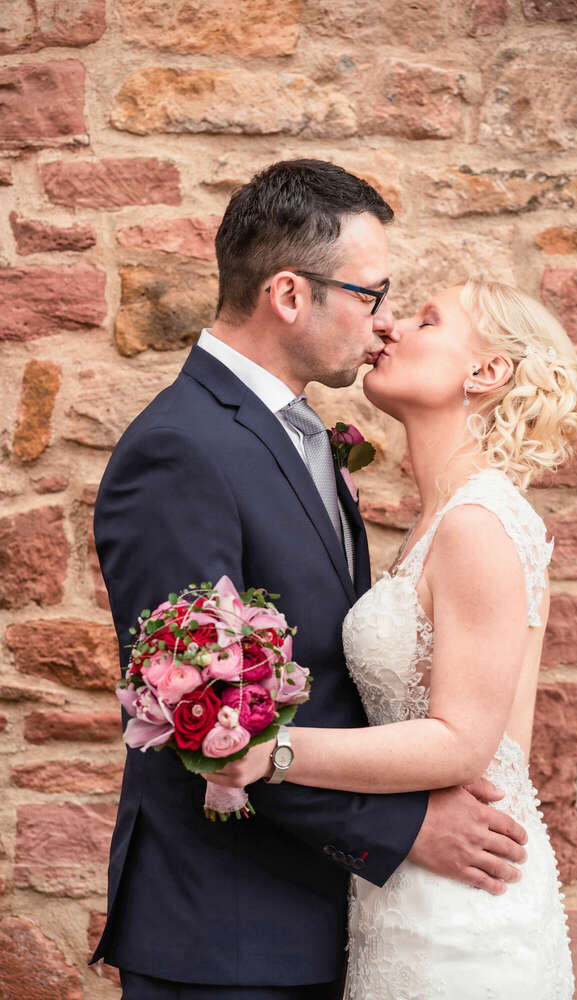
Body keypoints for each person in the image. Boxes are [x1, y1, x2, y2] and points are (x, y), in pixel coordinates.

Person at [91, 162, 528, 999]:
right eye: (372, 294)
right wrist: (402, 827)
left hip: (320, 911)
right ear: (290, 295)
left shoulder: (303, 438)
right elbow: (197, 719)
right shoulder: (180, 451)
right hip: (224, 929)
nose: (387, 321)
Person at [210, 277, 577, 999]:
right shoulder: (435, 522)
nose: (392, 329)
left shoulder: (479, 521)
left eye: (428, 319)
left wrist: (271, 749)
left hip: (464, 907)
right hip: (404, 884)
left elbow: (463, 741)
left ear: (485, 372)